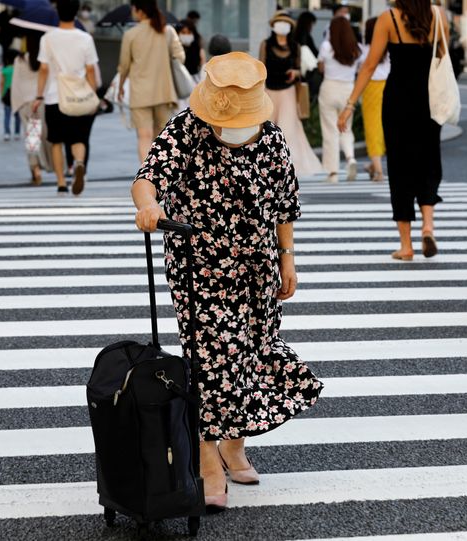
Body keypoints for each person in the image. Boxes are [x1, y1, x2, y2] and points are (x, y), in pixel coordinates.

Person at [132, 52, 323, 513]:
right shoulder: (187, 129)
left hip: (256, 268)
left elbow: (284, 205)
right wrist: (149, 206)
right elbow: (148, 177)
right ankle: (205, 456)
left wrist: (287, 258)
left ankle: (234, 445)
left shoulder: (272, 139)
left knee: (252, 353)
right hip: (200, 267)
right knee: (212, 358)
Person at [339, 0, 445, 261]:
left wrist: (350, 104)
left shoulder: (389, 19)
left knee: (400, 168)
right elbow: (442, 58)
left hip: (398, 102)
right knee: (429, 161)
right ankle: (428, 225)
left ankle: (406, 245)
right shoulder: (438, 16)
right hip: (430, 101)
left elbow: (370, 65)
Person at [33, 0, 98, 196]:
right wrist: (93, 94)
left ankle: (61, 182)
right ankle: (78, 164)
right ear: (76, 12)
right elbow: (90, 70)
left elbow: (43, 69)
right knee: (78, 138)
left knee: (56, 141)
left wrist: (38, 95)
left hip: (55, 96)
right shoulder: (85, 38)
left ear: (57, 12)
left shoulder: (47, 38)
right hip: (78, 97)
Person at [117, 0, 185, 163]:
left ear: (139, 11)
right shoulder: (167, 31)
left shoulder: (131, 34)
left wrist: (120, 87)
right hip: (164, 91)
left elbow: (124, 65)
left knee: (144, 136)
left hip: (140, 93)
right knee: (162, 136)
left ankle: (146, 179)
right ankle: (161, 174)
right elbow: (180, 57)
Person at [260, 11, 322, 178]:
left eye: (286, 23)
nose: (282, 26)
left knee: (288, 129)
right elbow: (261, 67)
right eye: (279, 22)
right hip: (269, 90)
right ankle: (267, 164)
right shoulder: (265, 44)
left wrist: (295, 73)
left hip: (288, 91)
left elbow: (301, 70)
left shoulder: (295, 46)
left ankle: (287, 163)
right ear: (273, 26)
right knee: (266, 129)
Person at [318, 15, 362, 183]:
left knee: (330, 130)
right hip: (348, 91)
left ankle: (333, 172)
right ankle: (350, 158)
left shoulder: (326, 46)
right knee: (346, 128)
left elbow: (321, 68)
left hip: (329, 88)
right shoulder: (355, 48)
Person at [12, 30, 52, 185]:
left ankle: (35, 170)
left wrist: (18, 104)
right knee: (43, 137)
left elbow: (16, 83)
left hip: (25, 103)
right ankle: (49, 166)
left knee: (32, 139)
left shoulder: (20, 59)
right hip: (41, 102)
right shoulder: (44, 60)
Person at [361, 16, 390, 183]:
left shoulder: (365, 50)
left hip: (371, 88)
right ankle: (374, 166)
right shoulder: (388, 49)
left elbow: (362, 69)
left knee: (373, 128)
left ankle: (378, 171)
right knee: (385, 127)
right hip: (388, 88)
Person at [0, 49, 21, 141]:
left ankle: (7, 133)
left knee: (7, 115)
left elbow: (2, 83)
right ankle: (17, 132)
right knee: (17, 115)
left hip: (7, 94)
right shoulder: (19, 69)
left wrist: (1, 95)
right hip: (17, 93)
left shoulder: (5, 70)